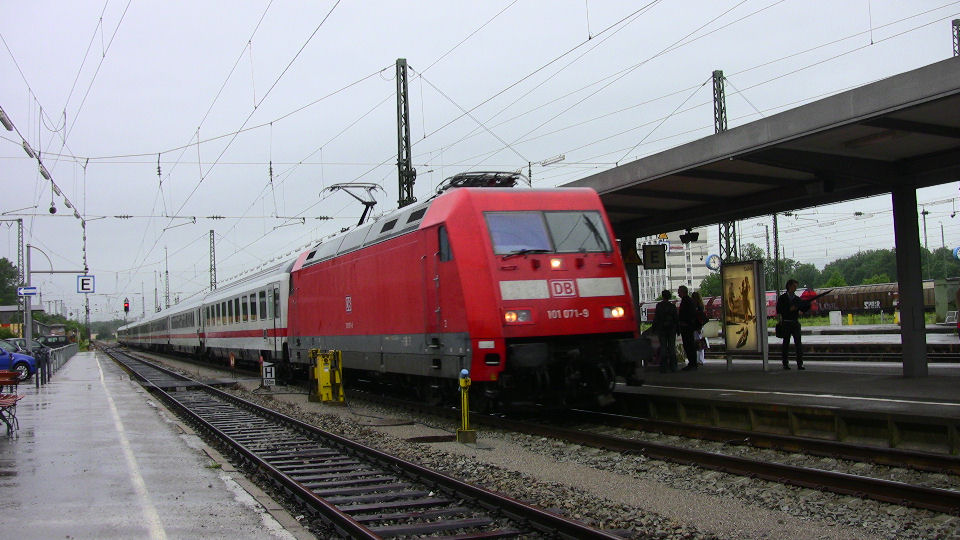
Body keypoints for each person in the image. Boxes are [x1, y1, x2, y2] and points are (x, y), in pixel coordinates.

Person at [776, 279, 807, 370]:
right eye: (794, 286)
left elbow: (803, 309)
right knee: (786, 343)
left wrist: (804, 307)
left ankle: (799, 363)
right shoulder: (782, 298)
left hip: (795, 322)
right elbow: (779, 310)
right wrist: (789, 309)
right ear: (789, 286)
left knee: (798, 344)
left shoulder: (797, 299)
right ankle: (785, 363)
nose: (795, 288)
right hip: (786, 322)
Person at [649, 289, 679, 373]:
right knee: (672, 347)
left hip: (662, 330)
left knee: (663, 348)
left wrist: (654, 329)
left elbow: (656, 318)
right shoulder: (672, 306)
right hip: (671, 330)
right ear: (669, 296)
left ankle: (663, 367)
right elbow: (676, 319)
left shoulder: (659, 306)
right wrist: (678, 330)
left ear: (663, 296)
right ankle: (673, 367)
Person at [677, 285, 698, 370]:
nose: (678, 293)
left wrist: (685, 322)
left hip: (686, 327)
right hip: (689, 326)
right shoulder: (688, 300)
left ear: (682, 292)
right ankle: (693, 363)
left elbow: (688, 314)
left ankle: (692, 364)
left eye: (679, 291)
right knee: (690, 345)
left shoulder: (686, 301)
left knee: (689, 345)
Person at [691, 291, 708, 366]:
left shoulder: (696, 306)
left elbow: (697, 317)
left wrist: (698, 327)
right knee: (699, 343)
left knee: (697, 343)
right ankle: (700, 360)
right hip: (699, 326)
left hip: (697, 327)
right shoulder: (701, 305)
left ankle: (699, 360)